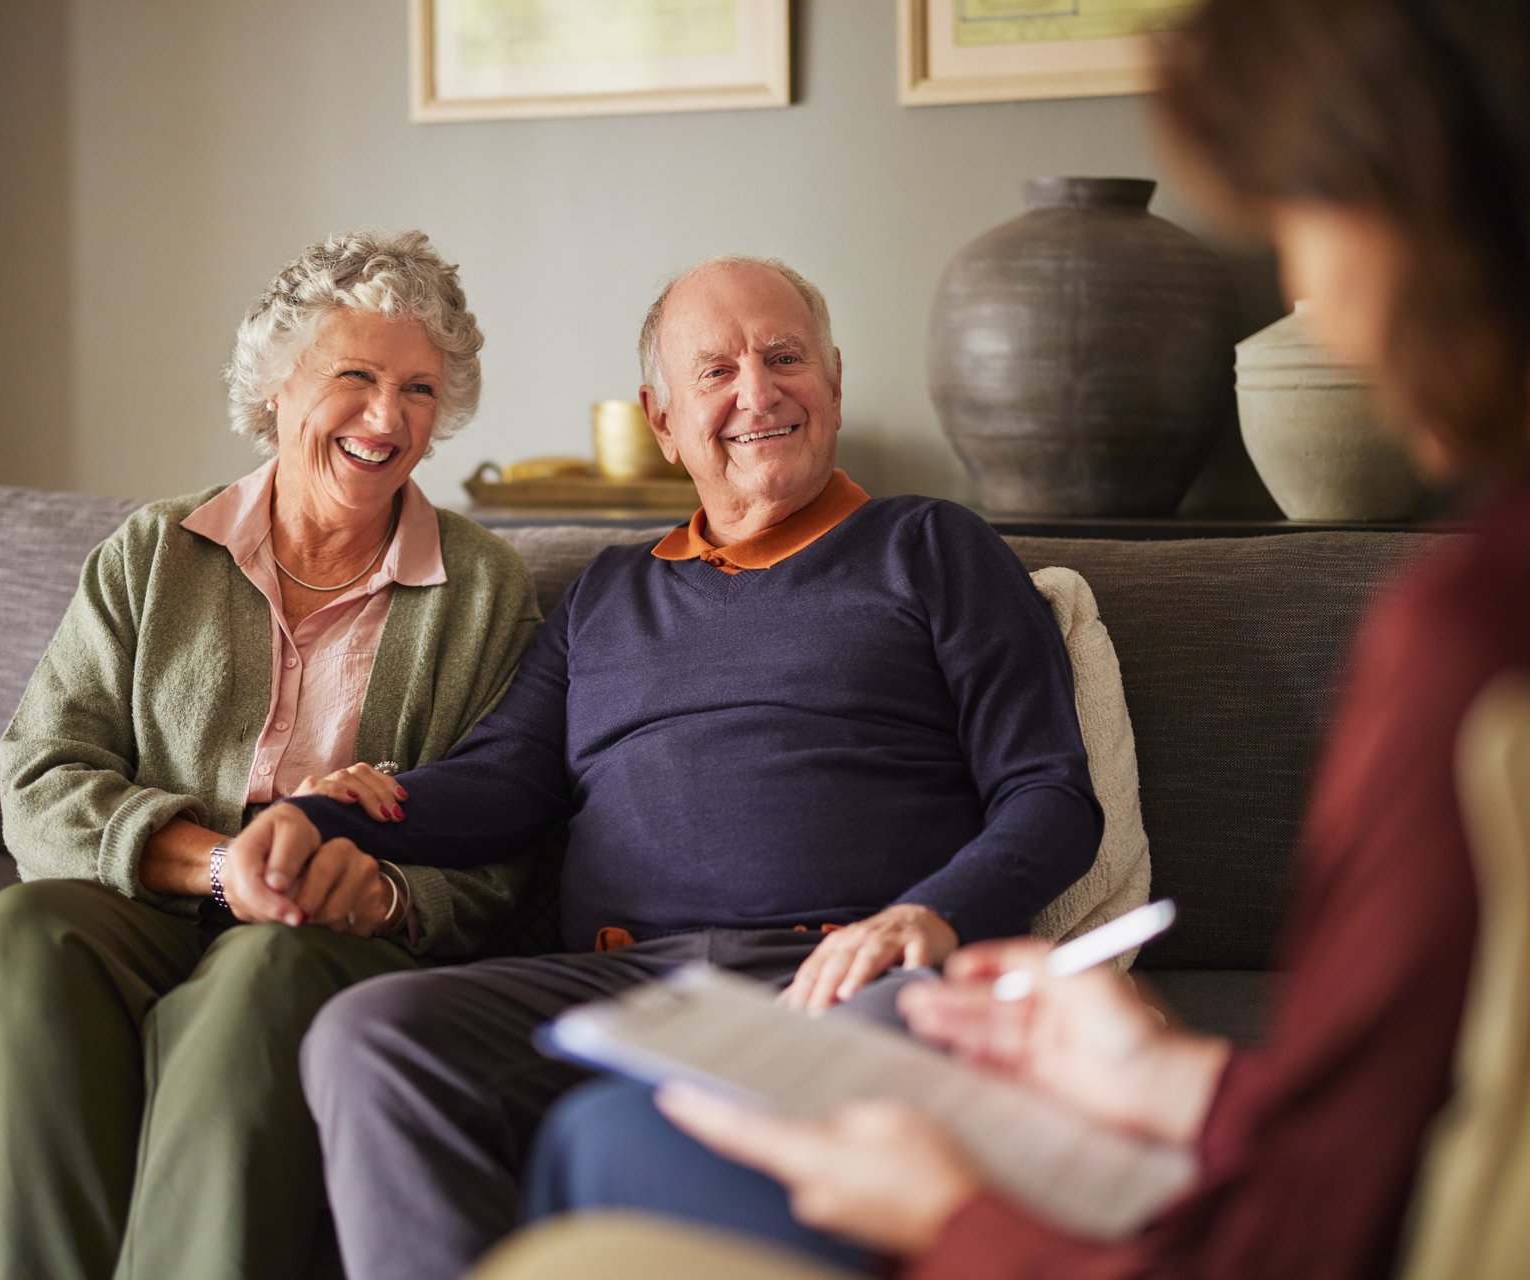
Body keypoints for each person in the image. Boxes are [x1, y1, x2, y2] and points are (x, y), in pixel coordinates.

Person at [516, 2, 1530, 1278]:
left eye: (1308, 214)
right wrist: (1181, 1079)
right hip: (639, 981)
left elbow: (1310, 1224)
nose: (1314, 299)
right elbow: (1390, 1142)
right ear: (665, 416)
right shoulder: (1509, 606)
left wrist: (952, 1213)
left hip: (868, 998)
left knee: (602, 1169)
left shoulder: (1488, 637)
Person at [223, 253, 1110, 1280]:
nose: (758, 391)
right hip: (627, 977)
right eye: (717, 371)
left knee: (662, 1118)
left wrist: (932, 915)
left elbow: (1048, 791)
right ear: (663, 419)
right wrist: (324, 818)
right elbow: (504, 780)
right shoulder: (608, 594)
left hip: (841, 968)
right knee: (371, 1034)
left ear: (832, 378)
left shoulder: (931, 546)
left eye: (786, 358)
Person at [0, 230, 542, 1280]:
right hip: (160, 897)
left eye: (416, 388)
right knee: (24, 930)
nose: (386, 416)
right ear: (275, 388)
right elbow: (41, 775)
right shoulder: (154, 552)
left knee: (261, 970)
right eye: (354, 376)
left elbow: (506, 834)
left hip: (322, 932)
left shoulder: (486, 590)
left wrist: (389, 890)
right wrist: (222, 865)